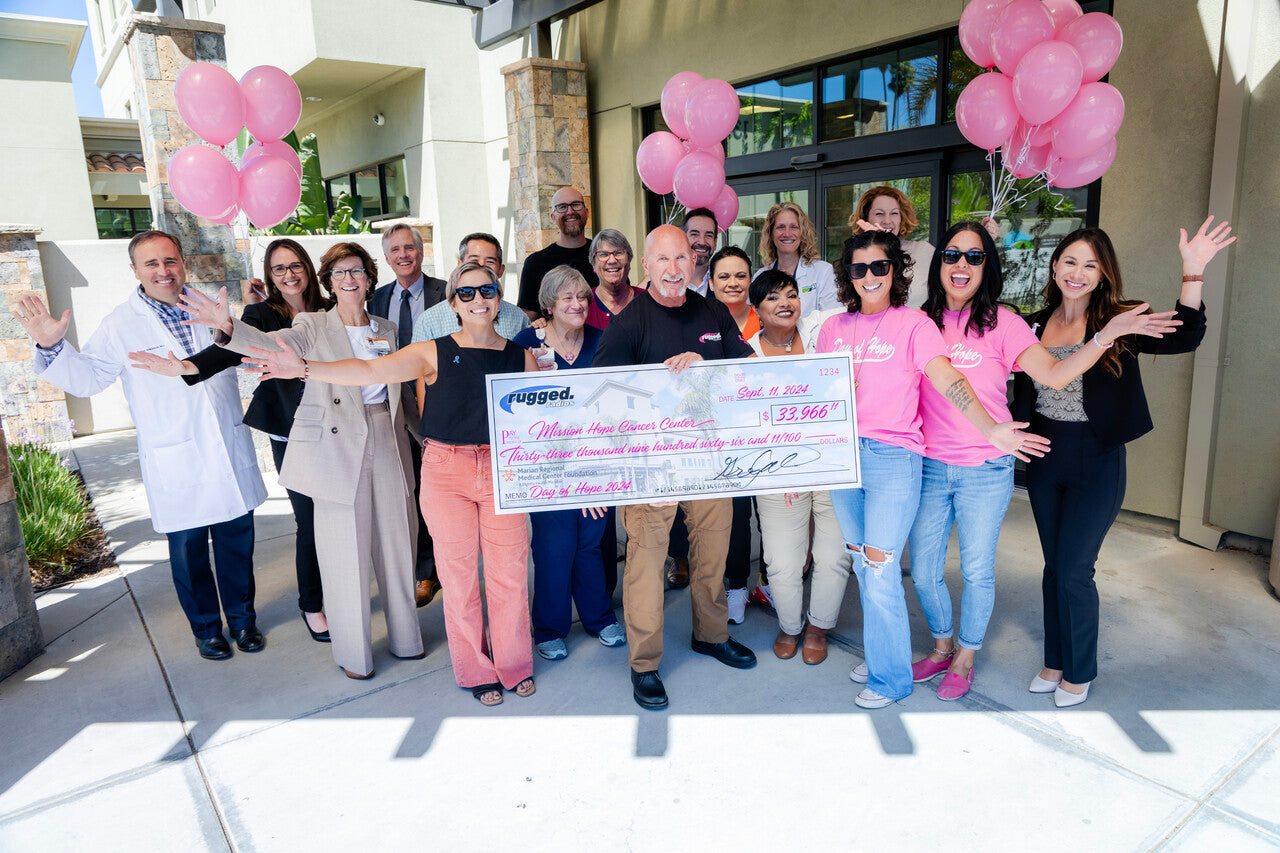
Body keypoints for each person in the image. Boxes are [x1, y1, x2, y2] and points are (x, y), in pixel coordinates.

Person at [907, 222, 1182, 701]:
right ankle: (967, 650)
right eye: (952, 255)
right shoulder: (920, 322)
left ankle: (987, 660)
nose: (962, 265)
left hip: (1009, 462)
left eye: (976, 257)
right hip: (945, 462)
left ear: (988, 266)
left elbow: (1055, 374)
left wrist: (1187, 278)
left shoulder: (1008, 322)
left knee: (1037, 569)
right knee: (938, 571)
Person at [249, 261, 541, 707]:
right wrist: (305, 367)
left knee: (509, 574)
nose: (478, 299)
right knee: (459, 578)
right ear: (453, 303)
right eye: (466, 292)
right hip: (448, 471)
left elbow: (545, 421)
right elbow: (369, 371)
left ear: (499, 298)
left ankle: (514, 663)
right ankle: (477, 669)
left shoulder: (521, 358)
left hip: (505, 470)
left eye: (487, 290)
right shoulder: (430, 351)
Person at [817, 230, 1046, 710]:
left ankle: (891, 679)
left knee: (880, 566)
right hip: (843, 459)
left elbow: (948, 379)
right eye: (858, 268)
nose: (869, 276)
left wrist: (991, 429)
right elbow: (816, 397)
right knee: (863, 564)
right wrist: (800, 465)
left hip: (892, 458)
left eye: (880, 266)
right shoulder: (832, 328)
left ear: (894, 271)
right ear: (847, 276)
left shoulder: (914, 324)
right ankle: (886, 653)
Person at [1011, 217, 1233, 708]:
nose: (1078, 273)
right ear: (1054, 265)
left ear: (1104, 274)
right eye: (1070, 261)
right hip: (1045, 455)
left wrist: (1193, 272)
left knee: (1075, 569)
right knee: (1054, 567)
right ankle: (1054, 660)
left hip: (1097, 458)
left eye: (1090, 266)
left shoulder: (1122, 319)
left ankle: (1079, 672)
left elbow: (1183, 336)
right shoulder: (1031, 323)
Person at [16, 230, 267, 661]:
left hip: (226, 443)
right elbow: (89, 378)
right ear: (135, 271)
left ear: (182, 263)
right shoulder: (120, 323)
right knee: (188, 551)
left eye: (170, 261)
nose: (163, 271)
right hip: (175, 454)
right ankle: (207, 630)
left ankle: (243, 622)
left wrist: (234, 323)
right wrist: (50, 345)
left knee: (236, 543)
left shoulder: (209, 308)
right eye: (151, 263)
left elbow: (248, 352)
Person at [184, 243, 424, 680]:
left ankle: (407, 639)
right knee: (344, 554)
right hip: (337, 444)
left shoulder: (387, 329)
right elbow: (270, 344)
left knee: (397, 543)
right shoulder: (311, 324)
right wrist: (228, 326)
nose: (348, 279)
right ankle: (355, 655)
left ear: (370, 278)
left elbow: (403, 392)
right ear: (328, 282)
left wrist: (431, 440)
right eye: (338, 273)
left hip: (388, 440)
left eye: (356, 271)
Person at [129, 238, 338, 643]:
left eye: (296, 265)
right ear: (270, 276)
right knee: (310, 521)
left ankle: (342, 591)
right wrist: (187, 367)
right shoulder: (260, 313)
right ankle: (312, 604)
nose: (289, 274)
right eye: (279, 269)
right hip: (292, 431)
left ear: (308, 268)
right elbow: (228, 350)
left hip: (340, 426)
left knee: (343, 517)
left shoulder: (331, 309)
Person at [592, 224, 758, 712]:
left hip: (708, 460)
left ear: (694, 261)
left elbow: (745, 370)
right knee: (646, 564)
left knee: (712, 551)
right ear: (646, 266)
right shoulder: (628, 324)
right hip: (652, 469)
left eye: (681, 257)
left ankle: (712, 634)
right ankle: (644, 663)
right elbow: (603, 399)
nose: (673, 269)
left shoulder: (712, 311)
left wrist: (704, 366)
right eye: (662, 260)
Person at [511, 266, 626, 660]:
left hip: (595, 460)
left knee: (591, 543)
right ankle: (549, 628)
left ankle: (599, 617)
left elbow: (616, 402)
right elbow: (512, 406)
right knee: (554, 546)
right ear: (549, 305)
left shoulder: (602, 340)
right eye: (567, 298)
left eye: (582, 297)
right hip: (547, 464)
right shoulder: (527, 343)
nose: (577, 304)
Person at [746, 269, 853, 664]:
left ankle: (818, 627)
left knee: (833, 554)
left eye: (791, 294)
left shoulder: (822, 331)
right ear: (757, 309)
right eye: (773, 297)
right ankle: (790, 625)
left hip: (833, 464)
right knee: (782, 560)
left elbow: (861, 301)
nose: (785, 303)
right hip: (779, 473)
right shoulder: (746, 357)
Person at [370, 223, 448, 607]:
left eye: (409, 248)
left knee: (435, 490)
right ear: (387, 258)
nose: (403, 255)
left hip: (435, 404)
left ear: (421, 251)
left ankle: (434, 569)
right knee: (408, 489)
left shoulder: (444, 292)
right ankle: (420, 568)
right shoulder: (375, 299)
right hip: (392, 408)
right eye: (396, 250)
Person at [702, 246, 759, 622]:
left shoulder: (767, 313)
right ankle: (736, 585)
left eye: (740, 275)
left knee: (769, 513)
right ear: (711, 281)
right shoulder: (699, 318)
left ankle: (769, 582)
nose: (733, 282)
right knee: (735, 514)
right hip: (719, 436)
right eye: (724, 276)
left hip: (763, 431)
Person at [412, 233, 530, 342]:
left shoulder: (519, 319)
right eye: (473, 260)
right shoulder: (429, 321)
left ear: (501, 270)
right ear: (459, 266)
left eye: (490, 262)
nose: (481, 266)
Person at [516, 186, 599, 320]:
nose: (570, 211)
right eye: (562, 207)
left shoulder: (602, 255)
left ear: (587, 212)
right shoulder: (536, 263)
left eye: (576, 205)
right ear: (553, 217)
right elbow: (527, 318)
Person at [849, 186, 934, 308]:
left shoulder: (924, 251)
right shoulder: (856, 255)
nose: (887, 220)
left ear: (901, 218)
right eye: (879, 213)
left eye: (894, 213)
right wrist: (877, 243)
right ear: (865, 218)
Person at [755, 201, 840, 316]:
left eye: (794, 227)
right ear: (771, 234)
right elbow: (754, 315)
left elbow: (831, 317)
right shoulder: (760, 275)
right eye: (780, 227)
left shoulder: (823, 271)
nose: (787, 233)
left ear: (802, 232)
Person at [585, 229, 643, 330]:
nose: (612, 260)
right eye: (603, 254)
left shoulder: (648, 301)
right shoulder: (583, 306)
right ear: (593, 264)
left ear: (629, 262)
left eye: (619, 253)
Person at [683, 207, 719, 297]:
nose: (702, 242)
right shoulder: (667, 280)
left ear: (715, 243)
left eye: (708, 235)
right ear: (682, 239)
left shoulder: (724, 280)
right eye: (695, 234)